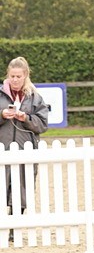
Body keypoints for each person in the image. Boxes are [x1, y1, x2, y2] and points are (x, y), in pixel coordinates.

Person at [0, 57, 50, 216]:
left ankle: (15, 228)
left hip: (25, 150)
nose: (15, 80)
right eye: (12, 76)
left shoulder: (35, 98)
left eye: (18, 76)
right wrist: (1, 115)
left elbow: (42, 124)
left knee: (21, 188)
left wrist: (26, 118)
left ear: (25, 75)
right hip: (2, 149)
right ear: (8, 75)